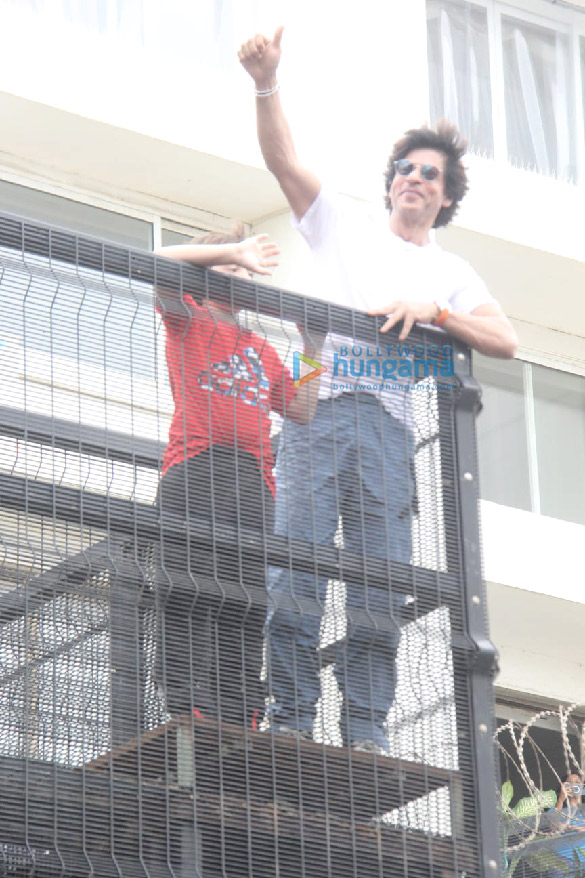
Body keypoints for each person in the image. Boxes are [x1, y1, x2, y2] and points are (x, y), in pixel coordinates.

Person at [238, 28, 518, 754]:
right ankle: (293, 717)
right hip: (317, 410)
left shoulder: (451, 272)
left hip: (388, 431)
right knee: (297, 565)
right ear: (391, 178)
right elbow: (283, 162)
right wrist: (268, 83)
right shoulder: (347, 225)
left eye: (429, 173)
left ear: (446, 194)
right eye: (404, 167)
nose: (413, 177)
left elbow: (504, 338)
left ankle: (365, 728)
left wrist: (435, 313)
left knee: (377, 586)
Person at [154, 224, 322, 729]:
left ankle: (241, 709)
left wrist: (310, 346)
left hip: (253, 479)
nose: (236, 273)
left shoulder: (261, 347)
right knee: (186, 587)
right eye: (225, 266)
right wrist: (228, 250)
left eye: (242, 267)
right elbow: (161, 257)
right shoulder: (189, 319)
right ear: (204, 274)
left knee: (246, 599)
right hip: (195, 466)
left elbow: (302, 409)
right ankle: (186, 701)